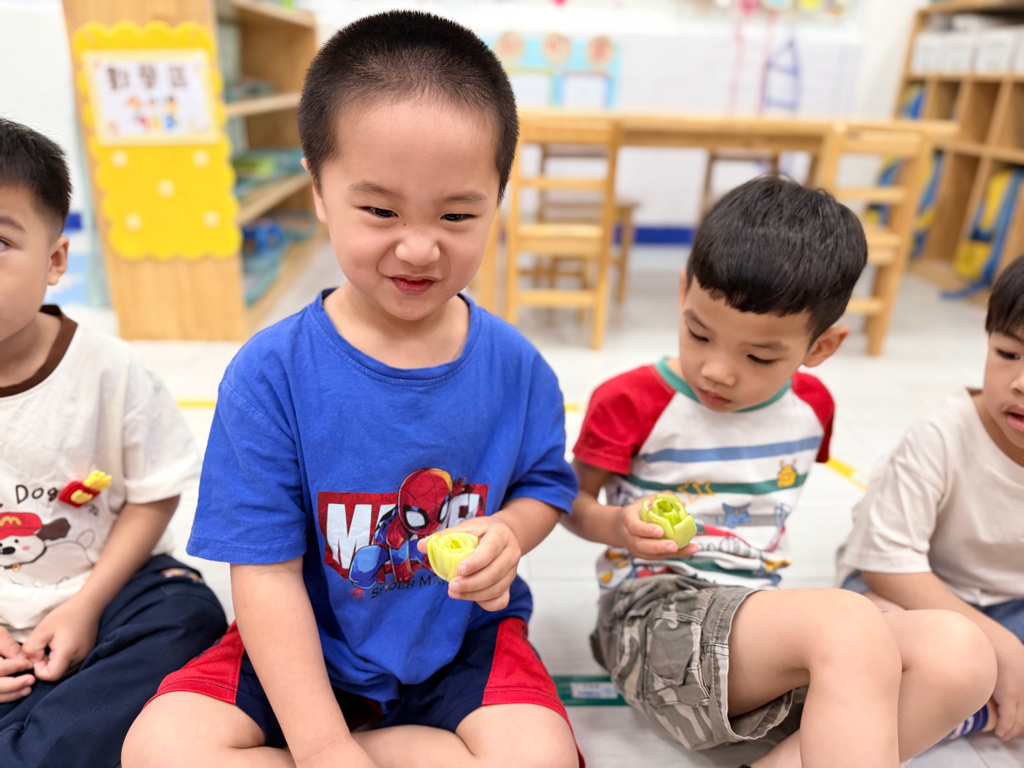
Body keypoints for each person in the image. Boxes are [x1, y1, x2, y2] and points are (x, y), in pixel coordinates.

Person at [122, 11, 581, 768]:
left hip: (462, 642)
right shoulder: (271, 372)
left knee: (541, 758)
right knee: (158, 749)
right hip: (307, 644)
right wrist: (324, 747)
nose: (419, 247)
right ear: (318, 189)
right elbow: (265, 576)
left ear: (498, 197)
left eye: (457, 214)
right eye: (380, 211)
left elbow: (544, 485)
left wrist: (510, 530)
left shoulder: (518, 367)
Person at [561, 176, 997, 768]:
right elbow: (572, 503)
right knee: (849, 620)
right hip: (653, 614)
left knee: (962, 655)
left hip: (753, 621)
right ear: (684, 292)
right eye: (698, 333)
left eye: (759, 356)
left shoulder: (812, 408)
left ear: (821, 348)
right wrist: (618, 526)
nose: (717, 370)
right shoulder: (632, 399)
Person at [0, 117, 227, 768]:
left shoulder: (107, 370)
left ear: (55, 261)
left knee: (190, 619)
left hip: (114, 587)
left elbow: (154, 494)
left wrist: (87, 606)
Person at [837, 253, 1024, 745]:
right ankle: (957, 702)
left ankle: (969, 705)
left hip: (1012, 605)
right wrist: (998, 643)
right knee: (867, 639)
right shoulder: (942, 434)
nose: (1020, 383)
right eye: (1008, 353)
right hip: (913, 590)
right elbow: (887, 565)